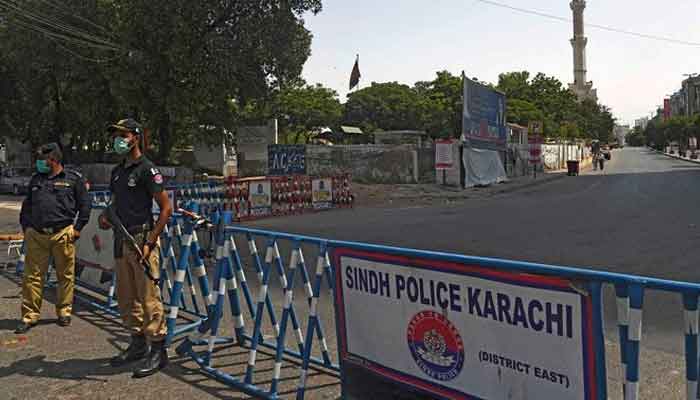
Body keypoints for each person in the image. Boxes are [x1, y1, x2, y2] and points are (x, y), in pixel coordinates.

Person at [99, 118, 173, 378]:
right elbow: (114, 203)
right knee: (127, 297)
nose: (118, 139)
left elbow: (166, 209)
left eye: (123, 134)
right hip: (121, 240)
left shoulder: (147, 169)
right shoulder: (118, 171)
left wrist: (150, 241)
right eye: (116, 135)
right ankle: (138, 344)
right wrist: (105, 219)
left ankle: (158, 351)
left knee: (149, 297)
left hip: (141, 239)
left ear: (136, 137)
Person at [16, 143, 90, 334]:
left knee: (65, 275)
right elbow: (27, 206)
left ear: (54, 160)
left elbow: (85, 206)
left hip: (62, 233)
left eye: (42, 160)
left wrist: (78, 228)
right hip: (37, 235)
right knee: (32, 277)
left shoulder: (73, 180)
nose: (39, 163)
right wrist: (27, 228)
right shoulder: (36, 180)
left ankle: (64, 312)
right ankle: (29, 316)